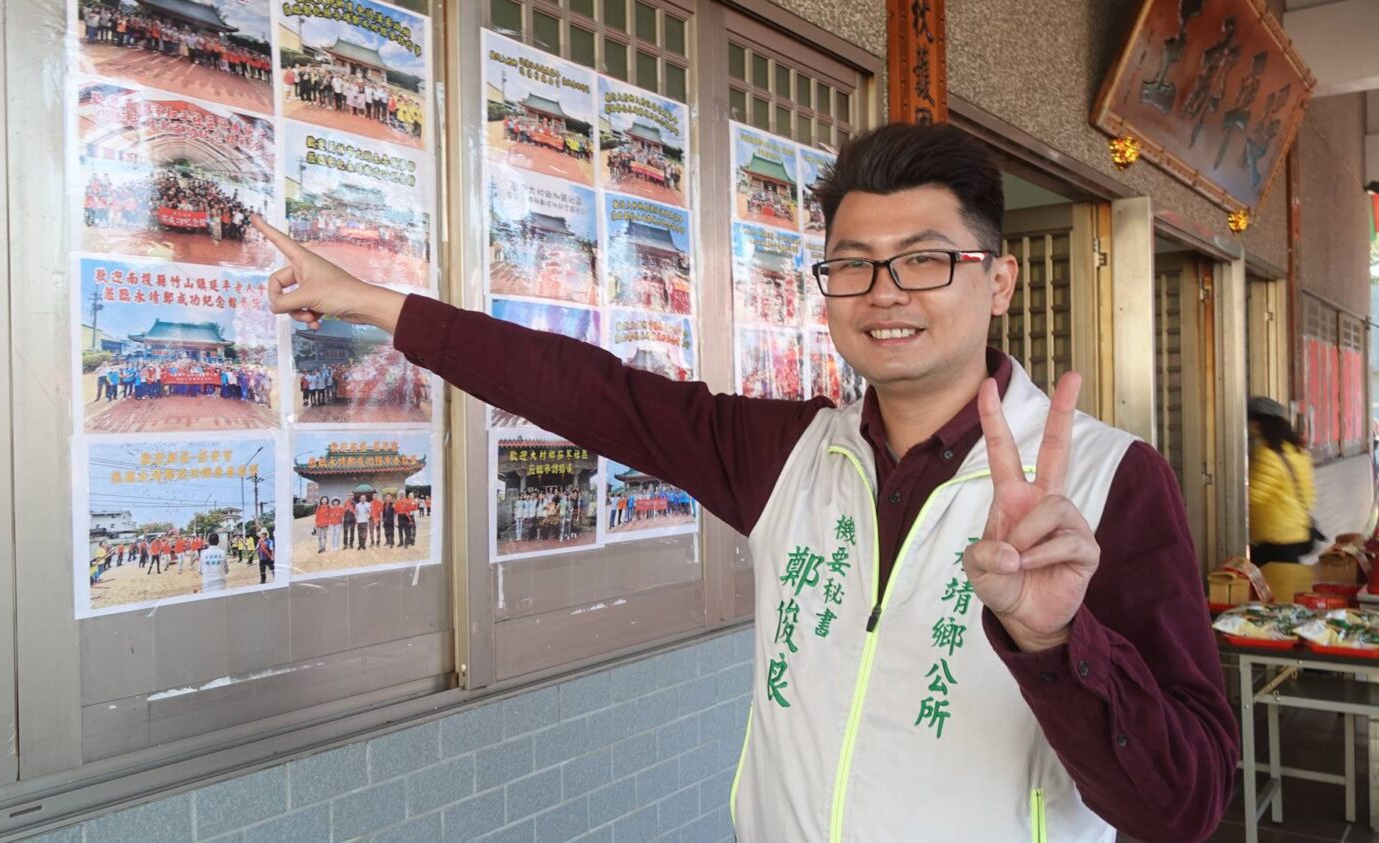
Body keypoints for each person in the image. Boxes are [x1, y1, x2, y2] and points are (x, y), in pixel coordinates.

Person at [250, 122, 1236, 842]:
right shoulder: (786, 454)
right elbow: (589, 391)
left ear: (1000, 281)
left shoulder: (1111, 483)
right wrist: (372, 302)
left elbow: (1185, 806)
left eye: (925, 261)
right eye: (854, 265)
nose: (885, 294)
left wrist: (1055, 641)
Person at [1248, 396, 1319, 564]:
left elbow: (1252, 496)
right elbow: (1309, 494)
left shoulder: (1267, 454)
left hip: (1274, 536)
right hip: (1297, 530)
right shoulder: (1297, 450)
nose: (1250, 427)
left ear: (1259, 423)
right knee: (1290, 577)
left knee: (1274, 579)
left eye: (1251, 421)